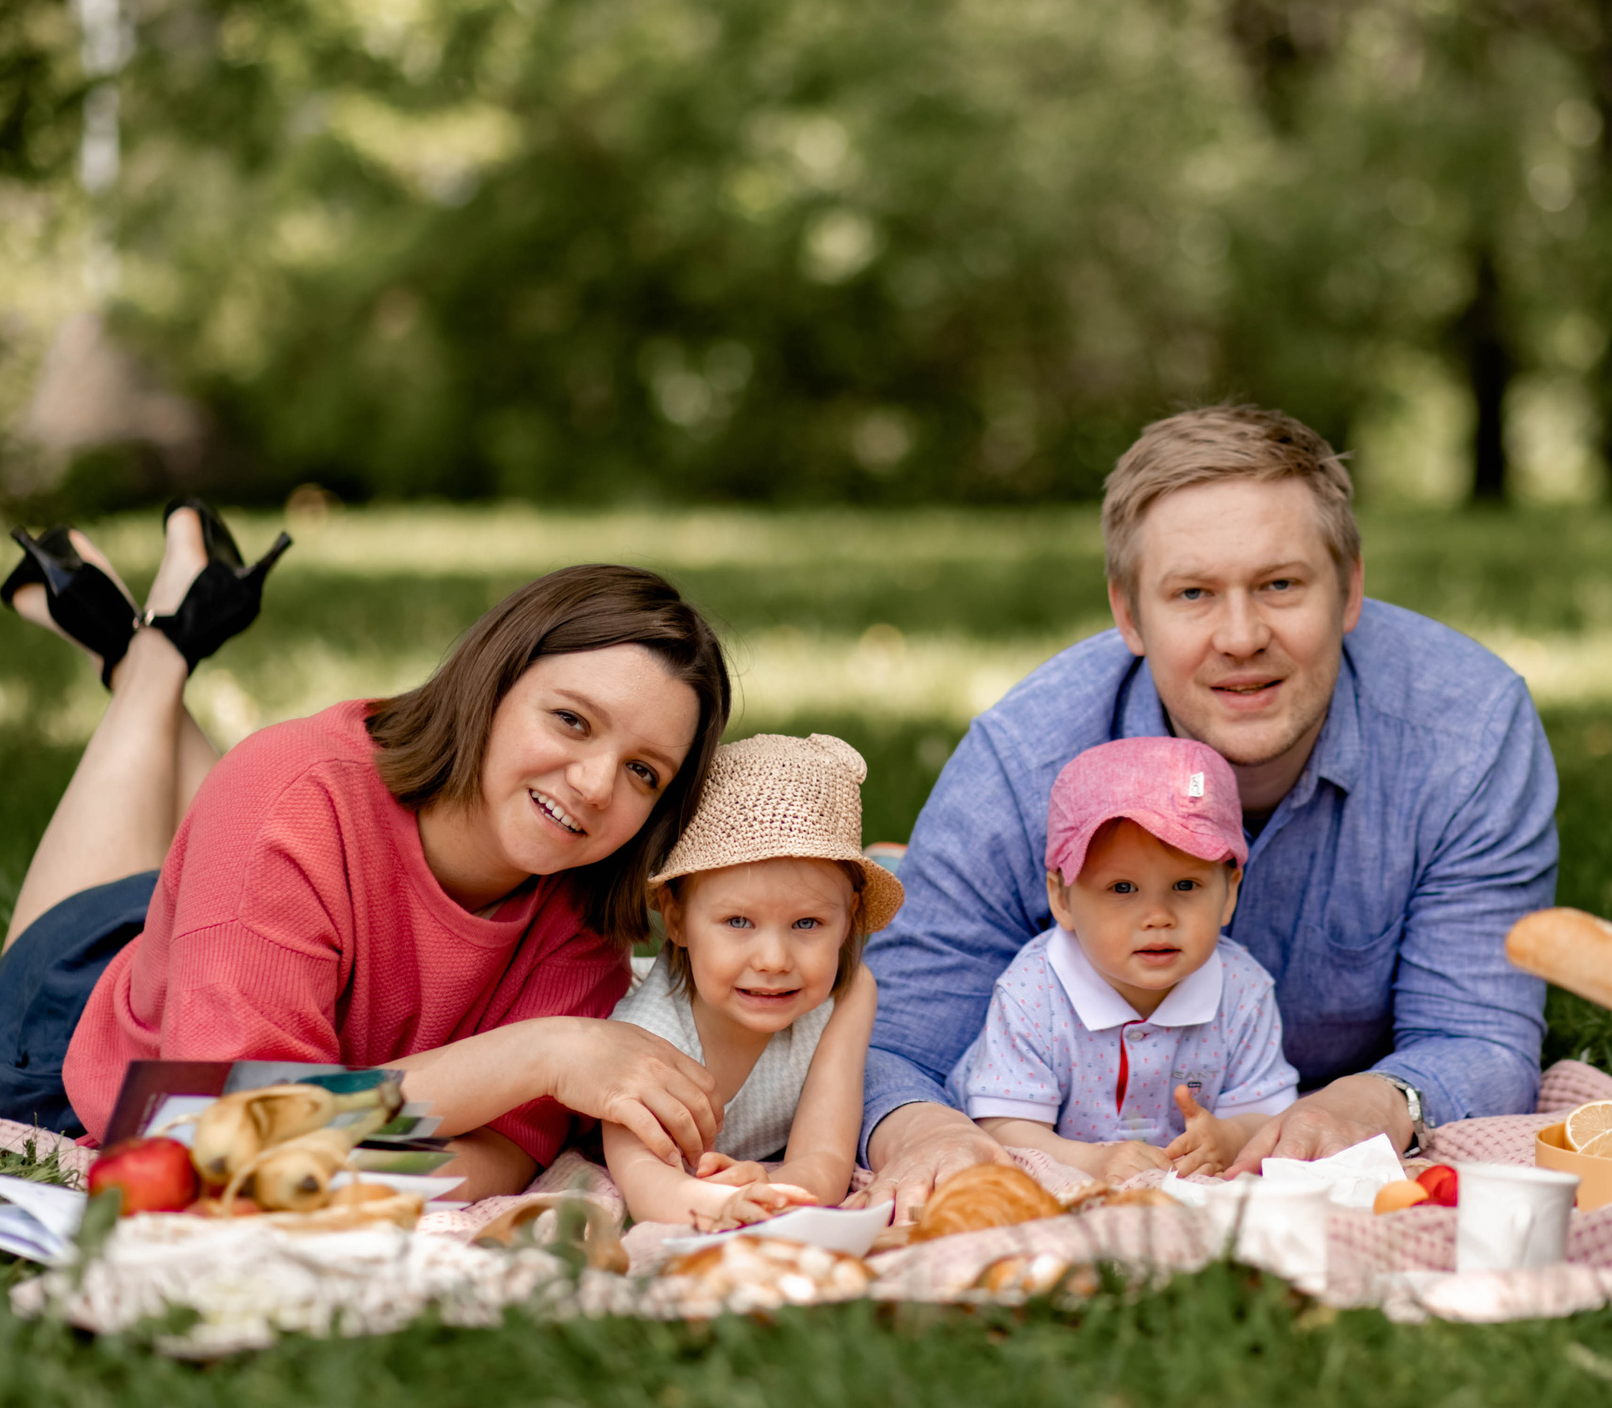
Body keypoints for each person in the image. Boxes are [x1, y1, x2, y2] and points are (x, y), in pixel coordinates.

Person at [0, 501, 735, 1200]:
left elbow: (500, 1157)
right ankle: (153, 655)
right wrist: (542, 1053)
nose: (594, 783)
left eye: (643, 771)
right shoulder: (293, 795)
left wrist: (319, 1152)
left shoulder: (582, 909)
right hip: (86, 1018)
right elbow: (223, 1135)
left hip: (241, 930)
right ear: (494, 678)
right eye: (571, 719)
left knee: (264, 801)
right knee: (273, 789)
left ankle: (137, 642)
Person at [861, 405, 1559, 1218]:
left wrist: (1372, 1104)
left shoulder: (1469, 732)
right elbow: (897, 1040)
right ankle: (903, 865)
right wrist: (918, 1131)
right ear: (1128, 614)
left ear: (1350, 588)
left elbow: (1480, 1031)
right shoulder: (1024, 760)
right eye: (1193, 592)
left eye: (1281, 584)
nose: (1240, 635)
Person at [952, 736, 1297, 1182]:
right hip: (1062, 1183)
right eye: (1122, 888)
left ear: (1229, 892)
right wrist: (1092, 1163)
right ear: (1062, 898)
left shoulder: (1243, 991)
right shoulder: (1033, 993)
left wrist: (1229, 1138)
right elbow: (1005, 1129)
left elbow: (1266, 1115)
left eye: (1186, 886)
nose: (1158, 917)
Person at [602, 733, 899, 1230]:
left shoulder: (847, 994)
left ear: (848, 918)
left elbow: (825, 1154)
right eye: (738, 922)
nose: (773, 960)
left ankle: (893, 860)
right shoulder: (642, 1034)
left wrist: (777, 1194)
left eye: (807, 924)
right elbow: (642, 1178)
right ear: (676, 919)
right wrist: (715, 1209)